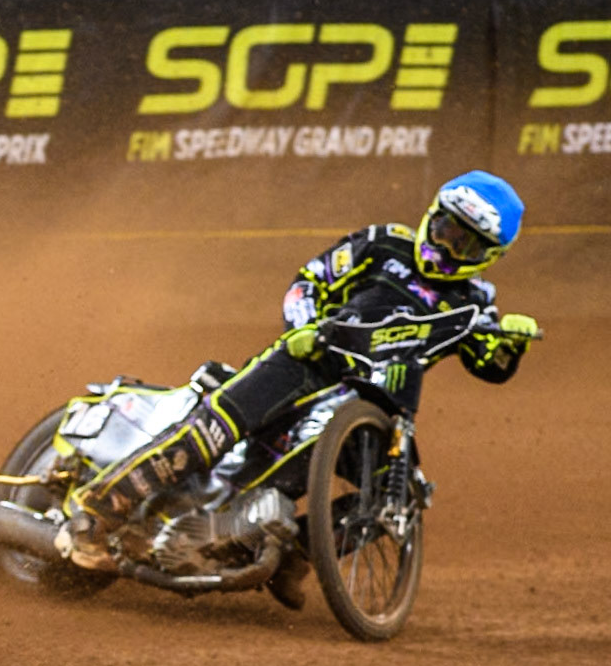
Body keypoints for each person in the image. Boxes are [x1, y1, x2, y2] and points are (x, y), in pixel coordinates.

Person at [62, 171, 543, 601]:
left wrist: (511, 343)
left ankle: (296, 557)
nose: (448, 249)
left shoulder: (475, 304)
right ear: (431, 216)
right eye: (446, 231)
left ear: (489, 257)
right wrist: (305, 326)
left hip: (377, 402)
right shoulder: (383, 244)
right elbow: (308, 281)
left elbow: (490, 365)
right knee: (216, 428)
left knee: (399, 497)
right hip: (308, 359)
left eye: (468, 246)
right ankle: (95, 511)